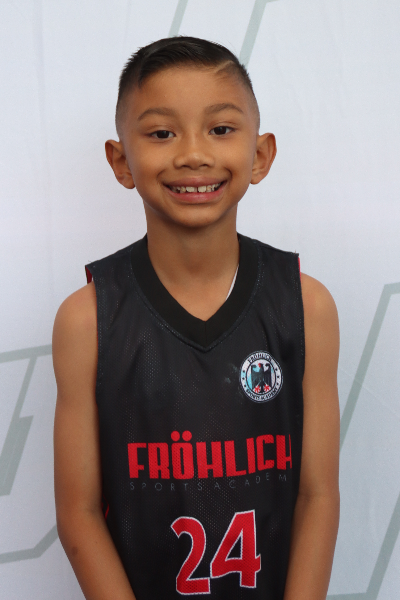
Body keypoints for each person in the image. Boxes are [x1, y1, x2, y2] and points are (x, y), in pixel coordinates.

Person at [53, 36, 340, 600]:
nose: (192, 154)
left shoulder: (307, 307)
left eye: (221, 128)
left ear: (260, 155)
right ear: (121, 161)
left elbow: (318, 495)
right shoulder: (87, 320)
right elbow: (78, 513)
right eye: (161, 133)